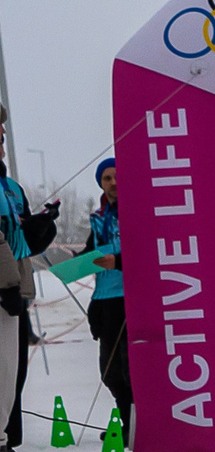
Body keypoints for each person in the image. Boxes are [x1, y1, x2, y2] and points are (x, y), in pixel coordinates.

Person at [0, 108, 61, 452]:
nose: (1, 142)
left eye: (2, 134)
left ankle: (6, 440)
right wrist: (7, 283)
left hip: (13, 288)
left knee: (11, 371)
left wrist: (40, 228)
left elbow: (17, 236)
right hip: (4, 286)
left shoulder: (9, 187)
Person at [78, 157, 131, 430]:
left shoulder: (136, 212)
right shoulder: (99, 218)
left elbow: (150, 255)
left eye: (117, 176)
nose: (113, 183)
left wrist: (119, 262)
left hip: (131, 300)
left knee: (130, 370)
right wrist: (76, 263)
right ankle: (128, 423)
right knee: (110, 374)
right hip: (104, 301)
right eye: (107, 178)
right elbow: (91, 253)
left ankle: (138, 424)